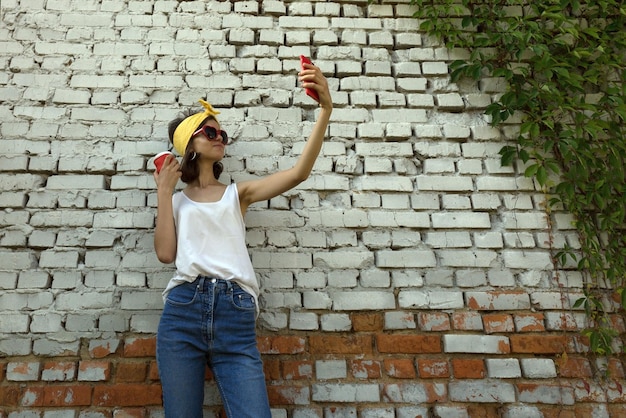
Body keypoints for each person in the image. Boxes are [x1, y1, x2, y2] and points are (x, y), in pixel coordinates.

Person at [153, 60, 332, 417]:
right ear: (189, 145)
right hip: (182, 311)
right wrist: (163, 192)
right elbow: (165, 254)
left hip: (235, 311)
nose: (220, 139)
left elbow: (299, 173)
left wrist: (325, 109)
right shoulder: (175, 200)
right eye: (211, 133)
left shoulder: (239, 193)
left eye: (223, 135)